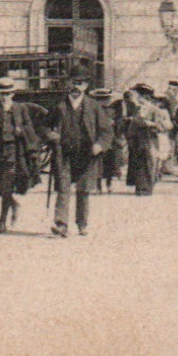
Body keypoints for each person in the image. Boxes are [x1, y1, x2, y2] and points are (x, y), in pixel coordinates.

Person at [42, 70, 113, 237]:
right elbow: (43, 126)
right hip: (64, 153)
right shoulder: (59, 106)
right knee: (63, 188)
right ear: (68, 84)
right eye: (73, 82)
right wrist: (51, 135)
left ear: (86, 86)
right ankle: (61, 225)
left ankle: (82, 223)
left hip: (86, 154)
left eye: (80, 83)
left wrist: (99, 145)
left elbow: (107, 131)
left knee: (83, 190)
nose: (76, 87)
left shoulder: (93, 106)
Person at [0, 77, 44, 232]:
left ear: (13, 94)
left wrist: (21, 132)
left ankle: (2, 221)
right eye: (1, 94)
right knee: (1, 188)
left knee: (7, 186)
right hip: (0, 152)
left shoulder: (20, 109)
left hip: (15, 151)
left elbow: (29, 129)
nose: (4, 96)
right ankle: (14, 205)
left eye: (7, 93)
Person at [125, 84, 171, 196]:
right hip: (137, 140)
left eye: (139, 96)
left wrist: (150, 124)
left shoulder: (155, 110)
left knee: (149, 162)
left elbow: (162, 127)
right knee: (138, 162)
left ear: (146, 97)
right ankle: (140, 187)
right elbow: (133, 125)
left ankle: (147, 188)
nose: (137, 99)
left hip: (150, 140)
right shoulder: (138, 109)